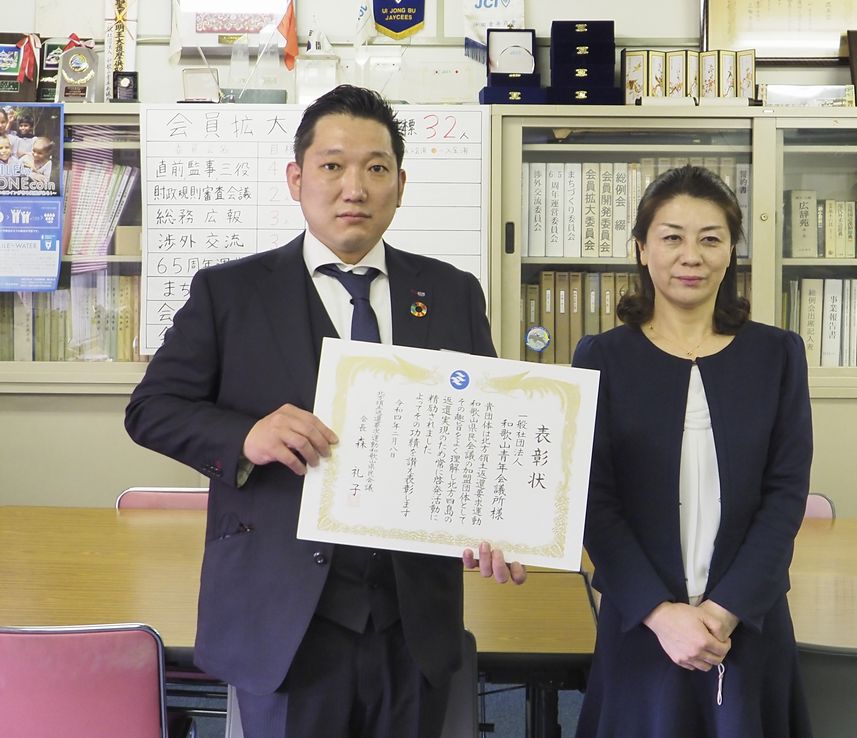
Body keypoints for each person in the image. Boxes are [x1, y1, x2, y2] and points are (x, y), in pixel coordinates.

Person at [125, 84, 526, 738]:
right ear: (297, 179)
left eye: (376, 168)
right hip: (283, 617)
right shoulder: (231, 292)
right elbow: (152, 409)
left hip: (412, 620)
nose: (354, 188)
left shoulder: (452, 292)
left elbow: (486, 434)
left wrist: (505, 525)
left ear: (400, 184)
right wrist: (246, 435)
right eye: (332, 165)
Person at [572, 165, 814, 737]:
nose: (691, 256)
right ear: (642, 248)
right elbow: (593, 502)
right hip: (642, 624)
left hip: (746, 623)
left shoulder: (777, 354)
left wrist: (722, 612)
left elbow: (785, 496)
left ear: (730, 252)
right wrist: (661, 615)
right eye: (672, 237)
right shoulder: (601, 357)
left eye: (710, 239)